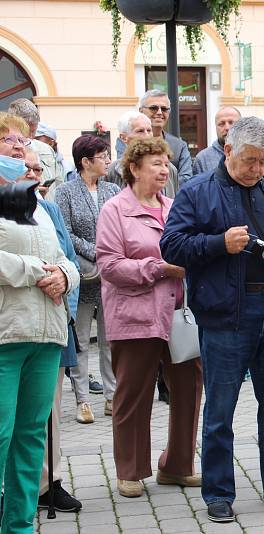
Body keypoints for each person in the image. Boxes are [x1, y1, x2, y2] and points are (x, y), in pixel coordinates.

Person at [160, 117, 264, 521]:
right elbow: (171, 246)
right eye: (250, 160)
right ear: (228, 151)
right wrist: (218, 243)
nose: (257, 169)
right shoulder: (196, 192)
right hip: (226, 315)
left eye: (263, 161)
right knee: (221, 410)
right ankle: (219, 492)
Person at [95, 137, 203, 498]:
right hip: (135, 316)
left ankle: (177, 466)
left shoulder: (175, 207)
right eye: (155, 163)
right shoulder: (115, 210)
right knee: (133, 396)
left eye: (165, 163)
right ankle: (130, 470)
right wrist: (158, 268)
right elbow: (109, 265)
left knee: (189, 389)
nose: (163, 170)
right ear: (134, 169)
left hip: (178, 316)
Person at [0, 111, 80, 534]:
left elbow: (66, 257)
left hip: (45, 334)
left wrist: (64, 275)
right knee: (0, 435)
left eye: (22, 142)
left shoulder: (39, 206)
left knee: (31, 437)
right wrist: (37, 271)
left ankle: (19, 526)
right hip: (4, 334)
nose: (20, 148)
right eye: (10, 142)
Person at [20, 148, 83, 514]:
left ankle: (49, 482)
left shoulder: (49, 209)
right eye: (26, 166)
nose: (34, 173)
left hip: (54, 320)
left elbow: (70, 260)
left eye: (37, 167)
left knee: (49, 411)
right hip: (13, 327)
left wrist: (62, 280)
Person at [54, 134, 121, 424]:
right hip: (83, 277)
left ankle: (111, 396)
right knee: (81, 339)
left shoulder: (112, 189)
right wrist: (97, 252)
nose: (108, 160)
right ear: (85, 161)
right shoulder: (65, 192)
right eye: (102, 156)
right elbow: (65, 233)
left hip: (111, 277)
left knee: (110, 339)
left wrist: (109, 255)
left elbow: (121, 225)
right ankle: (82, 399)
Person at [118, 89, 192, 184]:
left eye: (164, 109)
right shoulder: (126, 140)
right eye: (154, 108)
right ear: (141, 111)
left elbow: (186, 179)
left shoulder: (179, 146)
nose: (160, 112)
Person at [107, 111, 180, 197]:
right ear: (124, 138)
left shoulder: (169, 169)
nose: (147, 135)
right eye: (140, 131)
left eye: (149, 130)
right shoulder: (112, 171)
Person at [8, 98, 61, 192]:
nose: (31, 137)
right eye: (26, 132)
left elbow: (59, 181)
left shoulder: (47, 149)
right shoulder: (6, 151)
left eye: (34, 131)